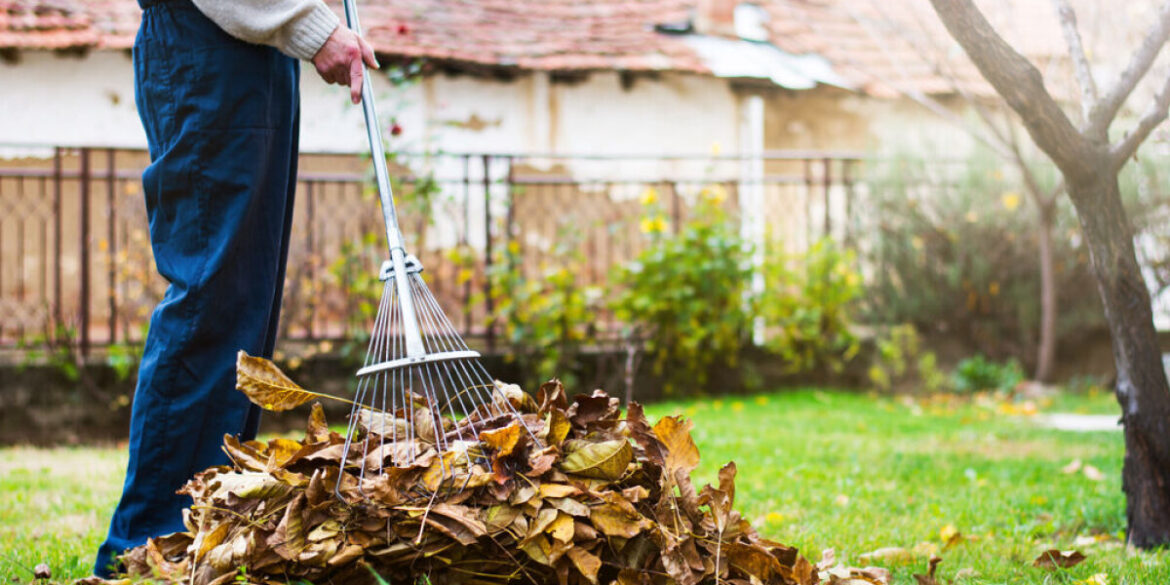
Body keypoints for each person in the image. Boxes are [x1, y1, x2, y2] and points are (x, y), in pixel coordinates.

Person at [94, 0, 378, 576]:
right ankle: (149, 544)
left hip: (250, 56)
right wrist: (311, 26)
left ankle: (205, 529)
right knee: (212, 301)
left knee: (245, 305)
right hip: (211, 44)